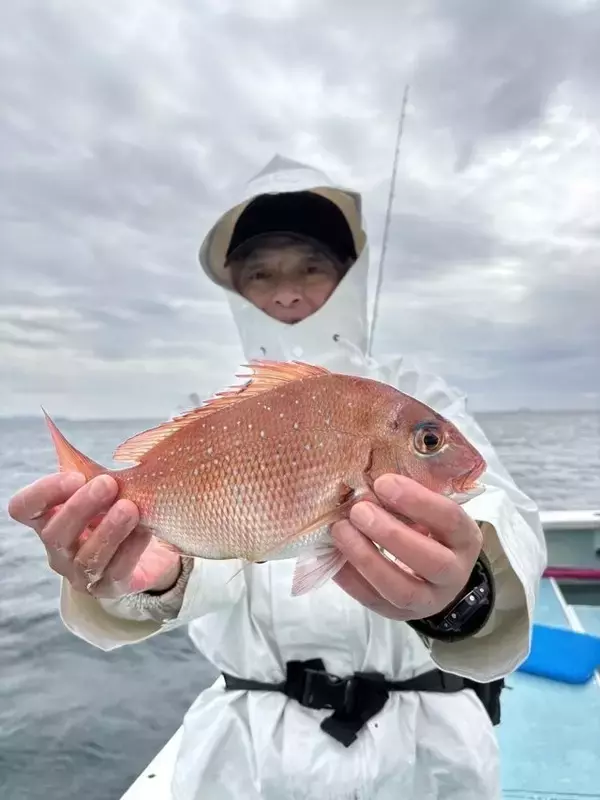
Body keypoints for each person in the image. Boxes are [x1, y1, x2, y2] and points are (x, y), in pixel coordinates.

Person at [8, 154, 547, 800]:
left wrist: (466, 592)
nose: (287, 291)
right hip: (249, 762)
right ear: (236, 287)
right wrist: (145, 578)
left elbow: (503, 514)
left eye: (311, 266)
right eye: (261, 272)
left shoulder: (411, 394)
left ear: (350, 275)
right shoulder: (207, 420)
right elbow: (207, 560)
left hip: (424, 758)